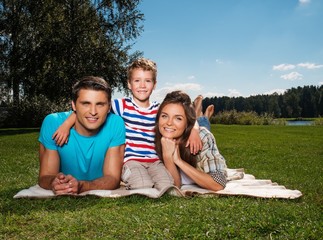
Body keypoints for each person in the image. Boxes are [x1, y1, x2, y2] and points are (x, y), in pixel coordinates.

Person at [53, 58, 202, 190]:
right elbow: (94, 109)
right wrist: (66, 125)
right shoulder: (121, 105)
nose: (142, 85)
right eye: (137, 81)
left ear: (155, 84)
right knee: (142, 185)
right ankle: (126, 177)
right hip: (132, 160)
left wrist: (194, 131)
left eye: (147, 81)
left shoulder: (159, 109)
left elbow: (189, 117)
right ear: (129, 84)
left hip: (156, 161)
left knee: (167, 185)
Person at [38, 76, 126, 195]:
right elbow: (45, 176)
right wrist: (54, 182)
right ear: (74, 105)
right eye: (86, 104)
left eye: (100, 104)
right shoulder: (53, 123)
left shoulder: (115, 123)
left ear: (109, 107)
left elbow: (113, 178)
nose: (93, 112)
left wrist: (81, 186)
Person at [155, 90, 227, 191]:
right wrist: (168, 156)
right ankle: (199, 114)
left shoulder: (203, 136)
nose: (169, 123)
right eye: (164, 116)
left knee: (204, 127)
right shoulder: (154, 136)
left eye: (178, 118)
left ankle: (202, 116)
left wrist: (178, 161)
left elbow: (218, 183)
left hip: (196, 131)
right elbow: (175, 185)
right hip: (192, 126)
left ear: (188, 123)